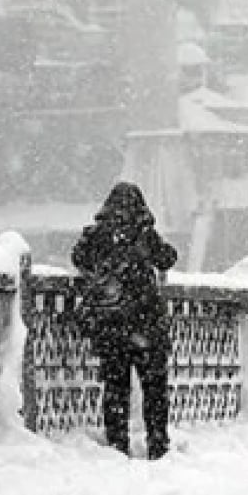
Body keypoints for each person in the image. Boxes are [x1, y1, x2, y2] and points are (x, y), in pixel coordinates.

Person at [72, 181, 178, 460]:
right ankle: (158, 443)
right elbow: (168, 259)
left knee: (116, 389)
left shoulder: (97, 235)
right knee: (154, 388)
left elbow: (78, 257)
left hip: (112, 326)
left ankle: (118, 444)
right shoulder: (144, 235)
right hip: (146, 324)